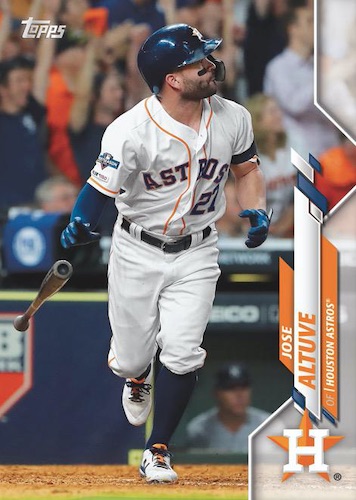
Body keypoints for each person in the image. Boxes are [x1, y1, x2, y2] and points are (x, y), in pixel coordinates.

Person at [60, 23, 271, 483]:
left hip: (198, 248)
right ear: (173, 79)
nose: (210, 64)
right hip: (137, 248)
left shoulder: (233, 116)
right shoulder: (130, 131)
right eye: (199, 60)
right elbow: (98, 190)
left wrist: (256, 209)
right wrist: (79, 222)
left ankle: (159, 449)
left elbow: (248, 170)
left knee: (182, 351)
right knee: (132, 359)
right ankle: (137, 377)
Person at [263, 1, 339, 158]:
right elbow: (294, 104)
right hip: (299, 157)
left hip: (332, 152)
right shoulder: (278, 68)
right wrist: (322, 76)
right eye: (310, 21)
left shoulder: (320, 64)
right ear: (293, 29)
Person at [185, 362, 270, 452]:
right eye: (231, 388)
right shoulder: (200, 429)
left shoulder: (268, 425)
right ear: (217, 393)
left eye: (244, 387)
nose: (239, 395)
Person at [245, 93, 297, 237]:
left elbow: (303, 192)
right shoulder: (246, 154)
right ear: (258, 120)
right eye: (272, 112)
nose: (279, 115)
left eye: (278, 110)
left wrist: (282, 227)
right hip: (250, 230)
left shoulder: (293, 143)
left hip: (289, 229)